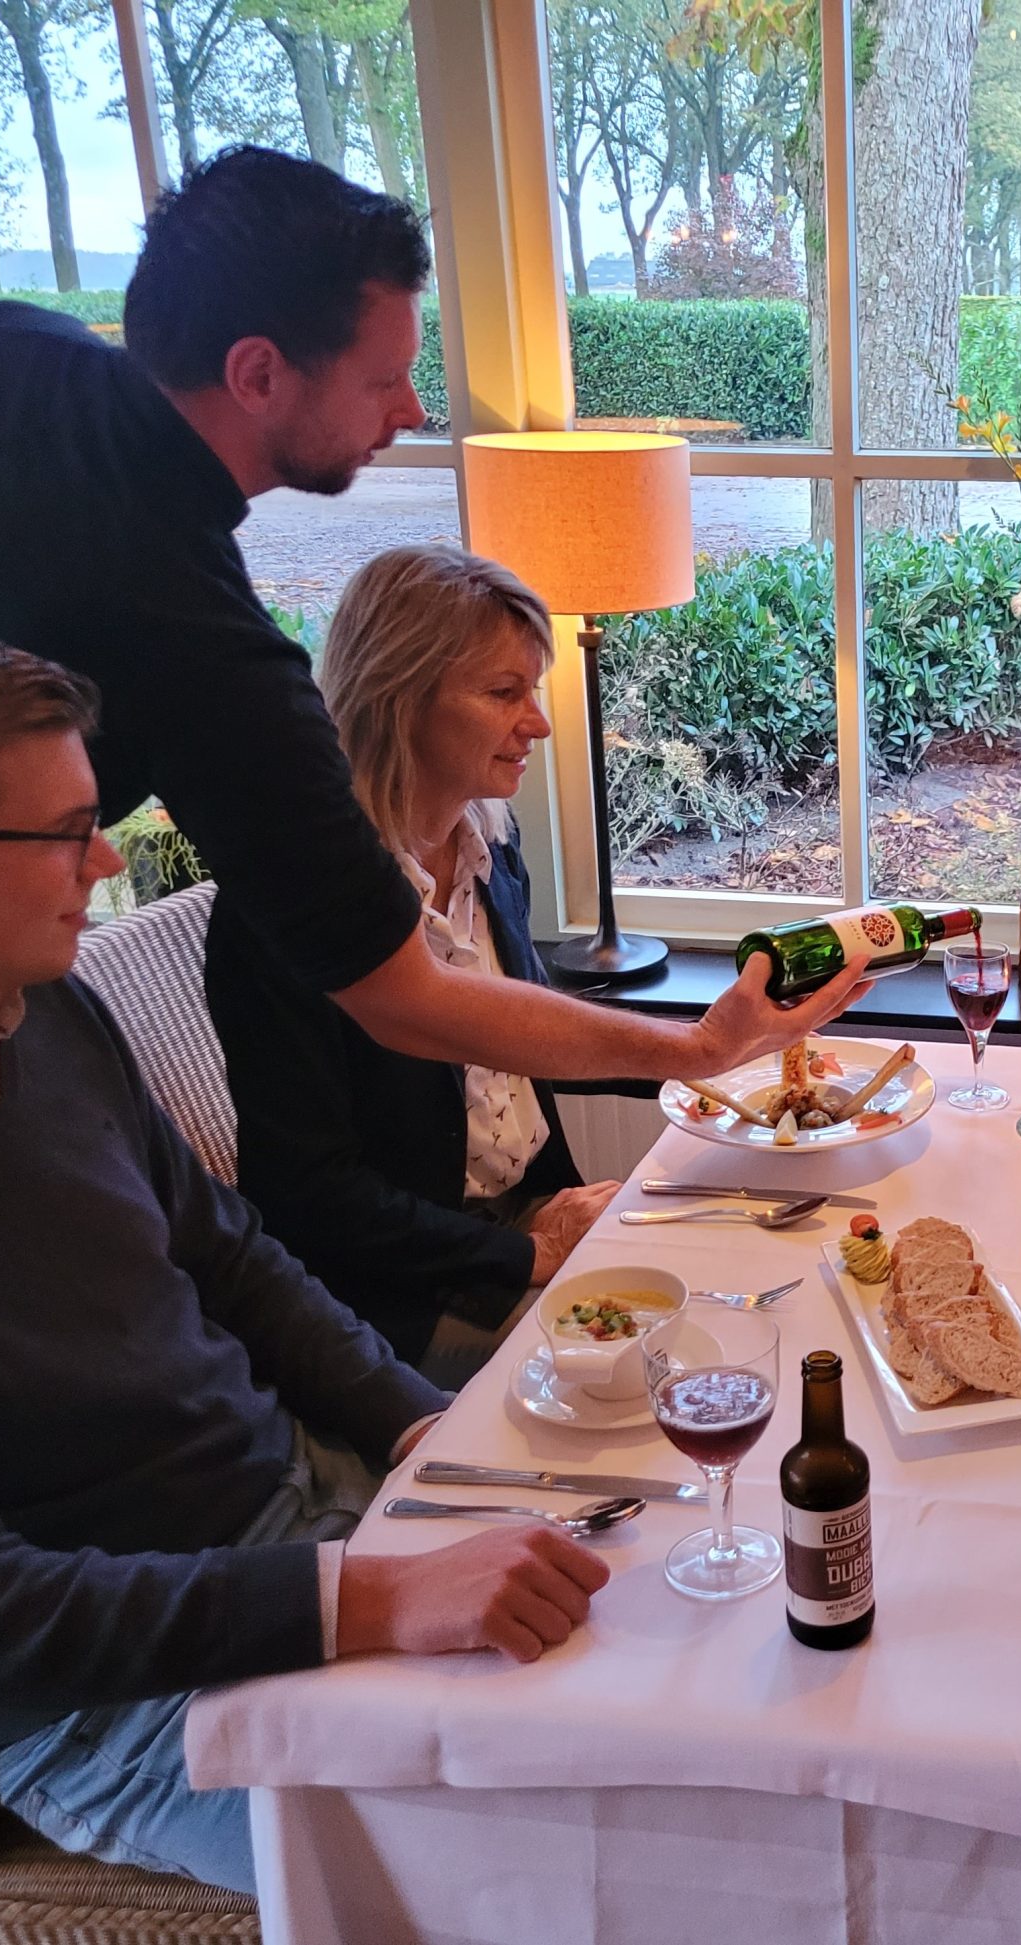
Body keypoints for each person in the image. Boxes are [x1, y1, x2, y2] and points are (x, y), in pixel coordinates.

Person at [0, 600, 622, 1895]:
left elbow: (229, 1256)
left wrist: (420, 1429)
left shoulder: (40, 1012)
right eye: (66, 835)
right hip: (115, 1702)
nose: (105, 869)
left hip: (303, 1522)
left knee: (657, 1686)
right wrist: (365, 1598)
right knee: (561, 1869)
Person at [0, 145, 857, 1071]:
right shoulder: (199, 642)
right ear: (257, 373)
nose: (408, 408)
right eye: (382, 377)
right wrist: (696, 1047)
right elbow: (407, 998)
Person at [204, 545, 615, 1378]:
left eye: (530, 690)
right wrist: (527, 1257)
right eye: (504, 693)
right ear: (398, 700)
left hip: (528, 1224)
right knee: (669, 1365)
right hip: (400, 1303)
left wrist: (726, 1070)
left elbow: (525, 1037)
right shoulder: (286, 914)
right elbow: (311, 1200)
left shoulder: (493, 846)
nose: (535, 721)